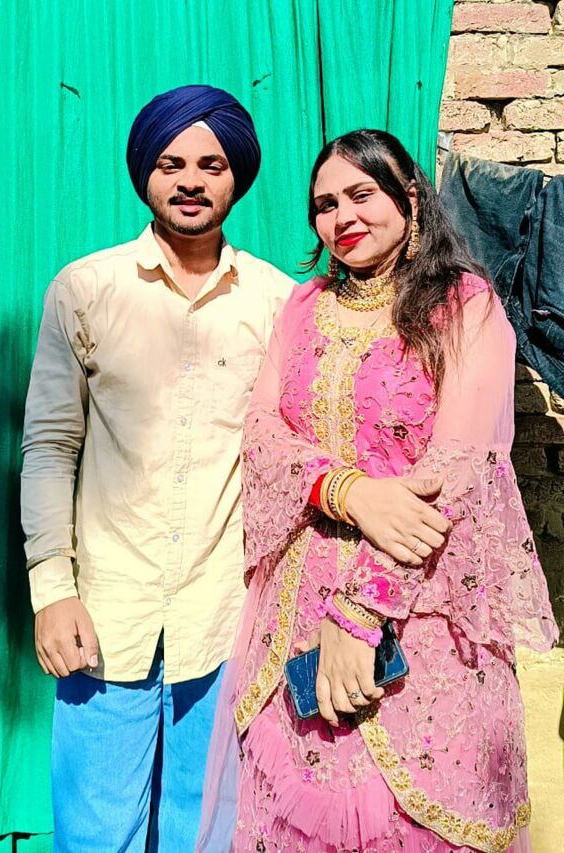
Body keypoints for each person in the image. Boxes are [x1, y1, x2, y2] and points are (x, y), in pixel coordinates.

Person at [198, 130, 557, 852]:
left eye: (361, 194)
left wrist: (359, 615)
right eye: (325, 204)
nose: (342, 217)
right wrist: (347, 490)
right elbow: (262, 437)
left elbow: (455, 471)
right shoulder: (304, 305)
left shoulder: (467, 306)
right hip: (295, 620)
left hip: (423, 617)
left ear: (411, 200)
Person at [20, 84, 293, 852]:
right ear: (144, 172)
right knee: (95, 833)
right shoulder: (86, 288)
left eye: (211, 164)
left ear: (237, 176)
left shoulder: (277, 301)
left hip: (225, 617)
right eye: (171, 163)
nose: (190, 181)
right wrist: (52, 589)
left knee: (205, 832)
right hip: (106, 612)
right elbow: (50, 445)